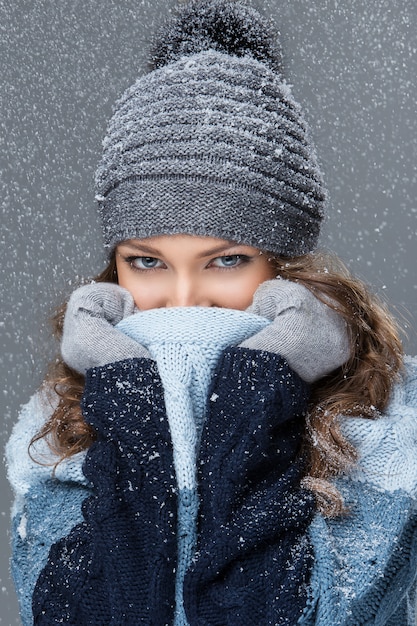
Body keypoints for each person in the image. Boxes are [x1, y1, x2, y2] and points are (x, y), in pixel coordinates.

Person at [6, 1, 417, 624]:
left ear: (285, 271)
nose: (184, 300)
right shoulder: (60, 426)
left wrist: (256, 396)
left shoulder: (389, 421)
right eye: (147, 262)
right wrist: (136, 418)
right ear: (112, 273)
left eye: (226, 261)